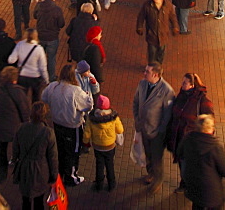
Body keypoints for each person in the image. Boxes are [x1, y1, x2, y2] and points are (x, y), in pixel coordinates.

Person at [41, 64, 93, 186]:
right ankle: (71, 176)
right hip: (72, 126)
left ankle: (59, 172)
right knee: (73, 152)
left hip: (57, 124)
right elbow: (88, 106)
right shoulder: (75, 91)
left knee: (60, 149)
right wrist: (88, 95)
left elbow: (44, 97)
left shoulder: (53, 86)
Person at [179, 114, 225, 210]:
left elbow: (180, 153)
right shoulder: (214, 147)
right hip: (211, 192)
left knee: (197, 206)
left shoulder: (188, 139)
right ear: (211, 129)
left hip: (194, 186)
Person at [166, 72, 215, 191]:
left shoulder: (202, 101)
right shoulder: (182, 96)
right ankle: (185, 183)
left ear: (192, 85)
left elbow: (209, 122)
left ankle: (189, 185)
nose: (182, 84)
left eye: (184, 83)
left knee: (188, 165)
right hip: (179, 139)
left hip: (191, 142)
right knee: (182, 163)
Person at [132, 62, 176, 194]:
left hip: (157, 133)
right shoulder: (142, 84)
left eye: (147, 72)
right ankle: (150, 173)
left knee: (157, 158)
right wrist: (137, 119)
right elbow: (135, 102)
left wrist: (160, 132)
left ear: (156, 75)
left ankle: (158, 179)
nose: (144, 73)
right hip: (143, 129)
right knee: (148, 154)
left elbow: (167, 116)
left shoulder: (167, 91)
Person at [0, 67, 31, 182]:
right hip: (16, 128)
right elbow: (25, 111)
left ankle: (1, 175)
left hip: (0, 126)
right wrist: (26, 125)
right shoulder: (19, 92)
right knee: (20, 150)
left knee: (0, 151)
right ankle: (18, 173)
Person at [13, 101, 59, 210]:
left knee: (25, 200)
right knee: (39, 201)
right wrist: (54, 174)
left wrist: (15, 161)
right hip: (41, 171)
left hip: (24, 169)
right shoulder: (48, 132)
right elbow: (53, 157)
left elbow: (15, 150)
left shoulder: (21, 128)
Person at [83, 94, 124, 192]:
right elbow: (120, 129)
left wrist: (85, 143)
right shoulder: (113, 117)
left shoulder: (92, 118)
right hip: (110, 146)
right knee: (110, 164)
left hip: (97, 147)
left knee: (99, 165)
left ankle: (99, 185)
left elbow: (87, 134)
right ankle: (111, 184)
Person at [135, 0, 178, 64]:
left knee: (161, 54)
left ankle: (158, 67)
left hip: (163, 36)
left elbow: (172, 17)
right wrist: (139, 27)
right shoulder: (147, 5)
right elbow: (141, 16)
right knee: (152, 54)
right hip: (152, 35)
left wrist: (175, 26)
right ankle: (151, 68)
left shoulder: (168, 5)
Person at [34, 0, 66, 82]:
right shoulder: (57, 9)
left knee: (40, 57)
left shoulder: (39, 5)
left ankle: (40, 75)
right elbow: (61, 24)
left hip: (40, 35)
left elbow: (35, 16)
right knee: (51, 58)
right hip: (52, 37)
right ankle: (51, 77)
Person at [8, 28, 49, 102]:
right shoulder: (39, 49)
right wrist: (46, 79)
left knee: (22, 98)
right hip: (35, 77)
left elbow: (11, 60)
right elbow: (43, 67)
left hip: (22, 75)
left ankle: (23, 111)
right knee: (36, 98)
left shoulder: (20, 44)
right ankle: (34, 111)